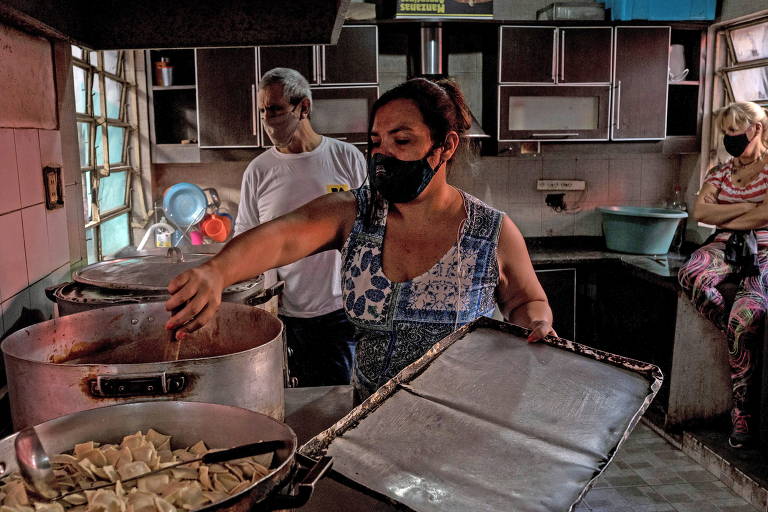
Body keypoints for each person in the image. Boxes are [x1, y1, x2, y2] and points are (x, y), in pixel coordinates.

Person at [165, 77, 555, 401]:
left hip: (462, 419)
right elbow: (281, 237)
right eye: (376, 142)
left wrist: (537, 322)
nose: (383, 155)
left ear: (445, 146)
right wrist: (217, 272)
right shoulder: (355, 213)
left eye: (401, 142)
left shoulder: (490, 230)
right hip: (370, 420)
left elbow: (526, 300)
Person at [235, 67, 366, 386]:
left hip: (341, 314)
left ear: (303, 107)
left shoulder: (345, 158)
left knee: (337, 402)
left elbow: (372, 234)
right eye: (263, 110)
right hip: (284, 319)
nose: (267, 120)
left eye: (276, 109)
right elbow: (245, 244)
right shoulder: (259, 171)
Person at [678, 101, 768, 449]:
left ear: (756, 129)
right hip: (724, 247)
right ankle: (730, 335)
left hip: (763, 252)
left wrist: (729, 213)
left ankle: (740, 415)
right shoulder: (719, 171)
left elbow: (765, 219)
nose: (730, 138)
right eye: (726, 132)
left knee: (743, 320)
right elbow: (701, 211)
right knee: (691, 276)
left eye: (736, 132)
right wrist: (749, 207)